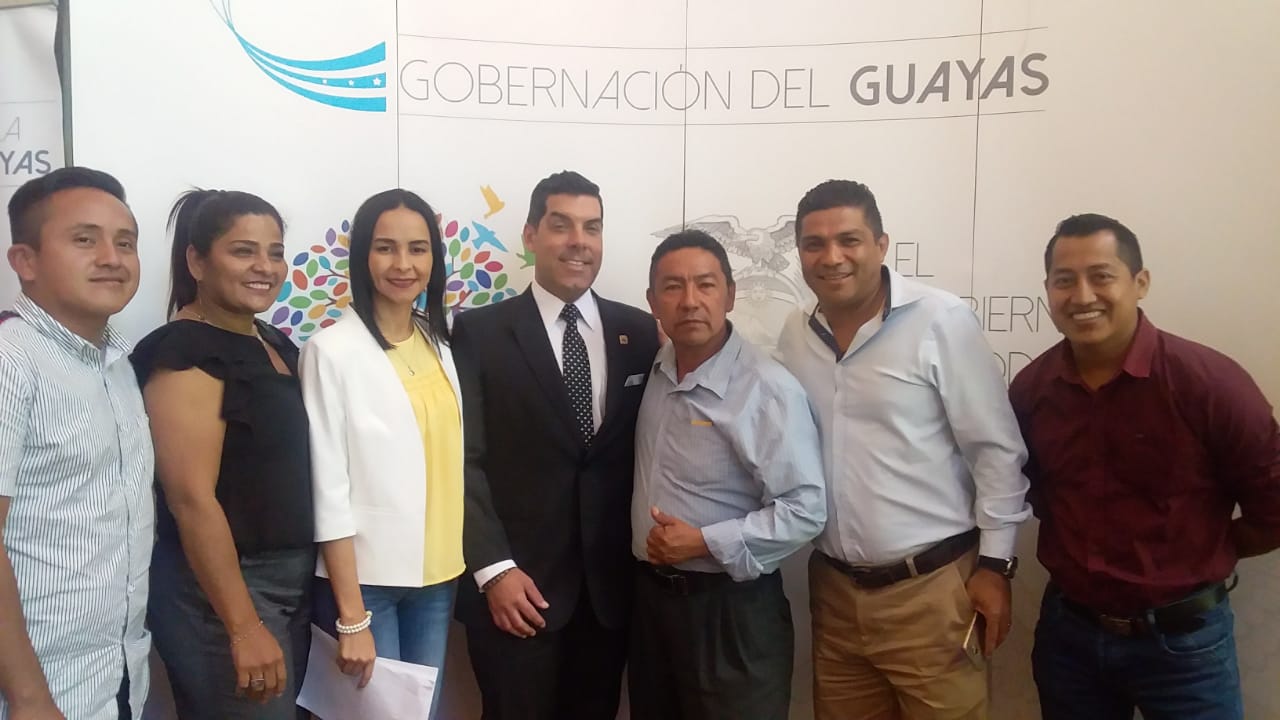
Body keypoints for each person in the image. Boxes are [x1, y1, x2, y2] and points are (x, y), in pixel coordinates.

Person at [776, 179, 1031, 720]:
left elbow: (996, 451)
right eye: (814, 244)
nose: (832, 257)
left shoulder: (941, 320)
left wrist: (995, 566)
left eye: (849, 240)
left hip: (933, 592)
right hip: (834, 594)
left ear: (881, 244)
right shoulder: (795, 334)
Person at [1010, 213, 1280, 720]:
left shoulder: (1210, 385)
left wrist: (1201, 552)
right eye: (1064, 280)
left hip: (1186, 647)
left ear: (1140, 283)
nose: (1083, 296)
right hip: (1069, 639)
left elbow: (1274, 509)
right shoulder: (1032, 390)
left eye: (1101, 276)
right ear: (1047, 290)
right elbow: (1034, 493)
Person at [452, 170, 661, 719]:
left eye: (592, 227)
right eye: (561, 225)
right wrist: (494, 569)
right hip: (515, 593)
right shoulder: (479, 334)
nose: (578, 241)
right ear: (530, 235)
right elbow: (462, 462)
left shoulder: (641, 333)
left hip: (608, 599)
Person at [130, 189, 315, 719]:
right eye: (243, 251)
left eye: (275, 252)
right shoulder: (184, 352)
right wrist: (243, 626)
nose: (265, 267)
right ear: (197, 262)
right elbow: (191, 499)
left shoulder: (272, 341)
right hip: (224, 594)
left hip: (291, 583)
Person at [628, 230, 826, 720]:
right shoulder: (655, 369)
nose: (690, 301)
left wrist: (704, 542)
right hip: (652, 609)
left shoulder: (766, 388)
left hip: (731, 613)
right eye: (673, 287)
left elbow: (806, 510)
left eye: (706, 284)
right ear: (652, 302)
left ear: (731, 295)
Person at [303, 189, 463, 720]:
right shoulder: (330, 351)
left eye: (417, 249)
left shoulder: (440, 344)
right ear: (362, 258)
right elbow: (328, 488)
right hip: (367, 584)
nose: (403, 265)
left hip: (437, 577)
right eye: (385, 248)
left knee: (423, 714)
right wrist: (351, 615)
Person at [0, 167, 153, 720]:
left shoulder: (118, 362)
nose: (112, 258)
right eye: (85, 240)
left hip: (117, 672)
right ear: (26, 261)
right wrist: (28, 696)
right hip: (40, 687)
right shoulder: (11, 360)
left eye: (125, 242)